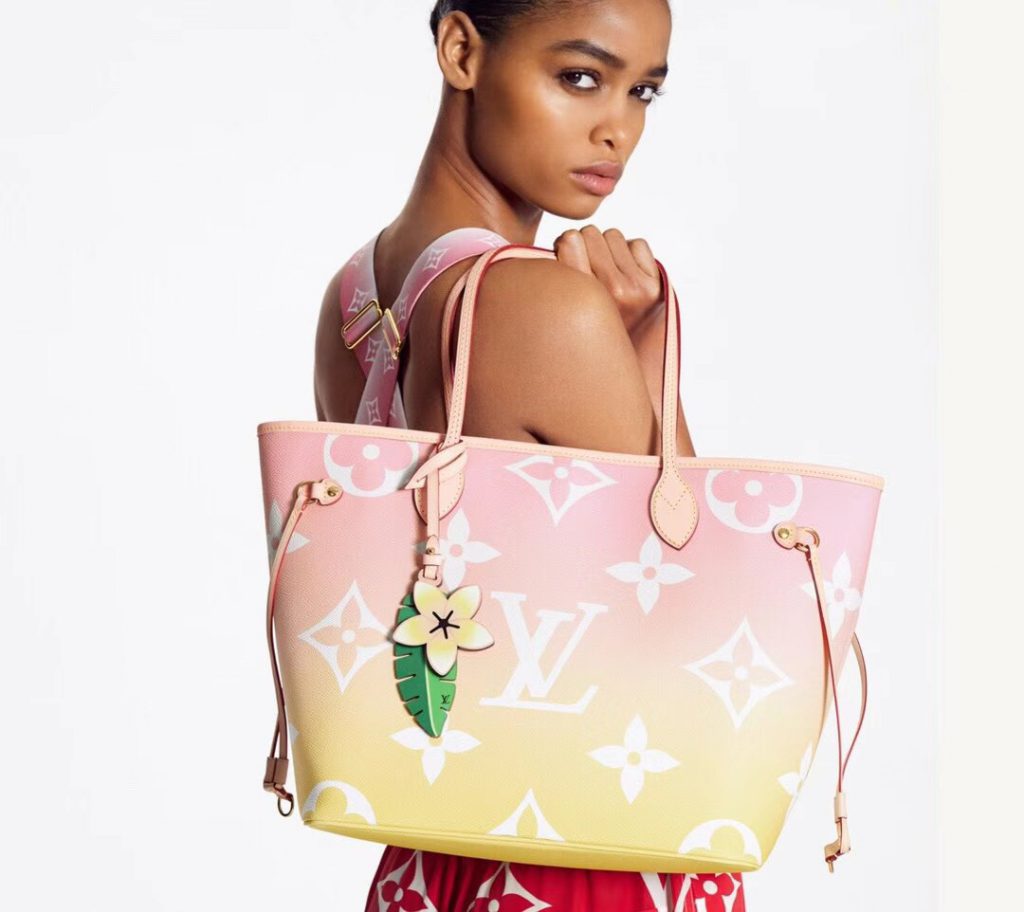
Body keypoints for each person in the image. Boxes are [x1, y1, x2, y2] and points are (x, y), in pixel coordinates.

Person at [313, 1, 747, 909]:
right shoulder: (545, 307)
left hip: (430, 853)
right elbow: (713, 619)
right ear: (461, 51)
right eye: (580, 77)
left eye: (644, 92)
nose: (617, 128)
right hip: (585, 848)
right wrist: (646, 353)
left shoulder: (356, 295)